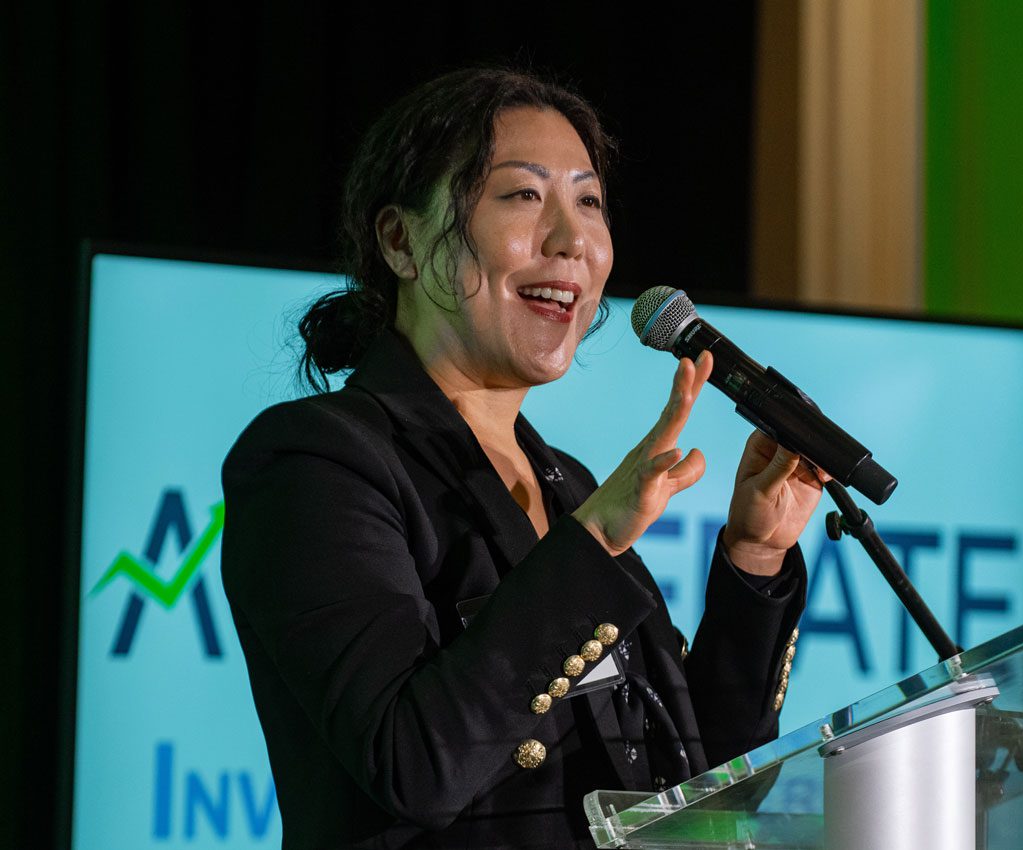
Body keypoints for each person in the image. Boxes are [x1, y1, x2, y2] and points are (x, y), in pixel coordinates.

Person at [221, 68, 826, 850]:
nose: (573, 240)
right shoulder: (317, 461)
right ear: (401, 241)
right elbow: (415, 766)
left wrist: (753, 557)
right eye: (522, 196)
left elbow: (702, 793)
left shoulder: (567, 482)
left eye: (588, 202)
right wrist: (594, 542)